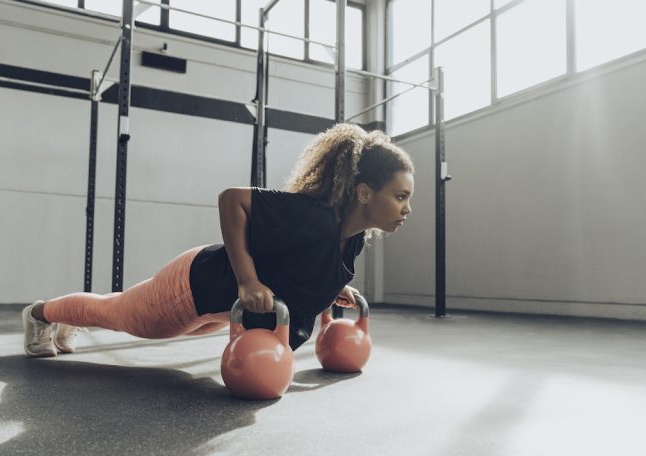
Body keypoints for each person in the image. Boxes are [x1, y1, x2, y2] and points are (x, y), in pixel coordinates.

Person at [22, 123, 414, 357]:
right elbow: (233, 200)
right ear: (364, 193)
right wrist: (247, 280)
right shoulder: (312, 214)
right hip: (193, 286)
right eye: (400, 197)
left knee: (115, 310)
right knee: (117, 314)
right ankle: (41, 314)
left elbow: (300, 265)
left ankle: (64, 318)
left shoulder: (353, 239)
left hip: (218, 306)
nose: (406, 209)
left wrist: (335, 286)